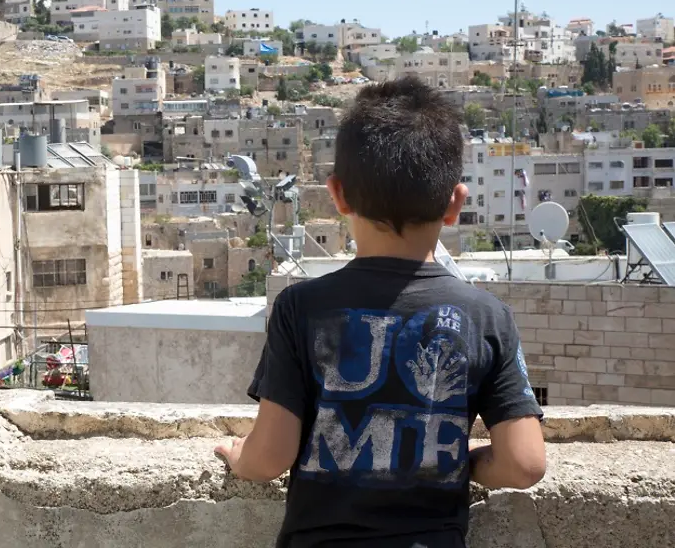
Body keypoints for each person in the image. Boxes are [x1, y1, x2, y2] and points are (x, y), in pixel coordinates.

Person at [215, 77, 546, 548]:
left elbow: (269, 458)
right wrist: (452, 457)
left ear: (338, 194)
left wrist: (238, 453)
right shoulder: (487, 316)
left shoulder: (300, 307)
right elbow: (524, 464)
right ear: (455, 204)